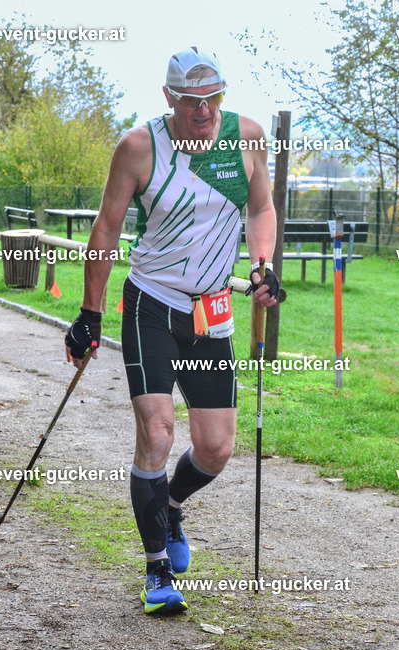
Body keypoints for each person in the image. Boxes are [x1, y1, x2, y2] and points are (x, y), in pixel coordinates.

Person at [64, 47, 281, 615]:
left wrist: (261, 264)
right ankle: (157, 568)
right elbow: (107, 227)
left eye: (213, 99)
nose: (205, 111)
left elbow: (262, 209)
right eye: (192, 101)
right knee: (158, 433)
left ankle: (173, 505)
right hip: (152, 304)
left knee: (215, 448)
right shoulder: (140, 147)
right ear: (169, 98)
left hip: (211, 313)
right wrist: (90, 313)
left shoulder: (247, 138)